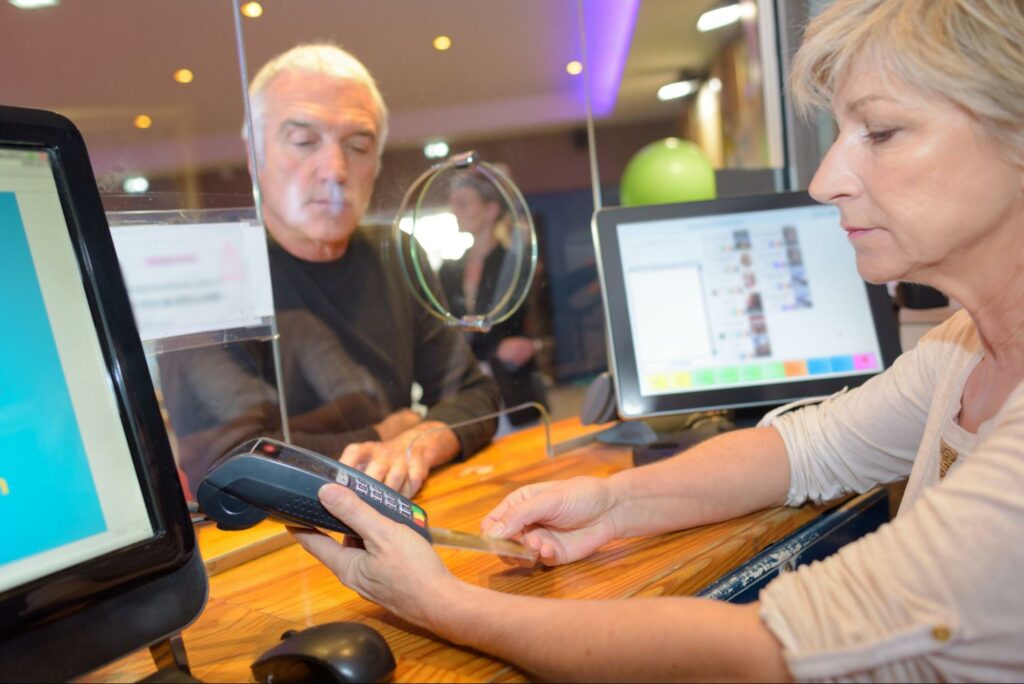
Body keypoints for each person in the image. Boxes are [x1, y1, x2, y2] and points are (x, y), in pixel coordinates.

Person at [291, 0, 1024, 680]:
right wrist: (613, 504)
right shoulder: (964, 349)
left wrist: (443, 604)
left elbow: (769, 652)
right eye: (838, 136)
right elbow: (805, 448)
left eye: (883, 132)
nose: (828, 177)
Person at [162, 43, 501, 498]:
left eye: (358, 146)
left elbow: (474, 394)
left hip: (393, 507)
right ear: (254, 153)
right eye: (303, 142)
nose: (335, 170)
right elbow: (224, 457)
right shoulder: (208, 273)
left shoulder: (395, 253)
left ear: (377, 162)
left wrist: (420, 441)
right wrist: (382, 438)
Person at [440, 168, 548, 427]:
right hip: (464, 388)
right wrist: (493, 349)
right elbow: (443, 330)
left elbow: (538, 321)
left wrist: (532, 344)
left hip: (513, 389)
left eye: (463, 203)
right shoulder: (448, 271)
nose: (455, 211)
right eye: (453, 204)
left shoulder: (514, 266)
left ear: (490, 210)